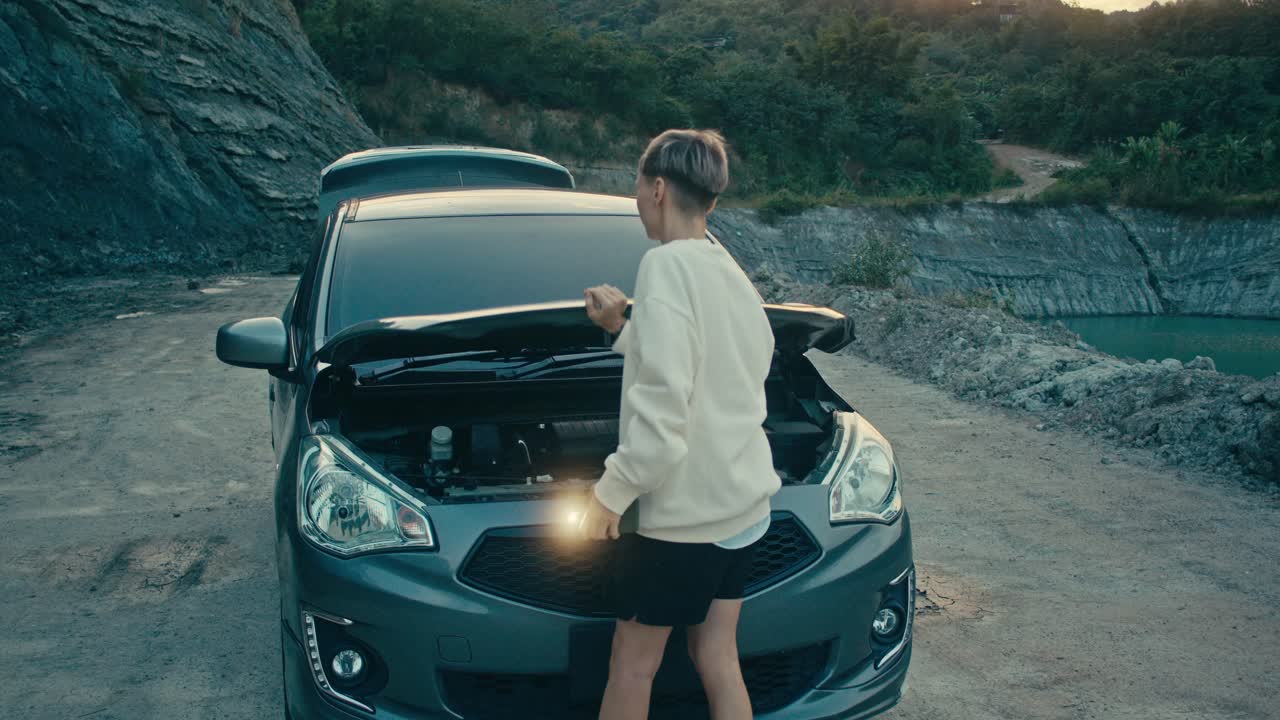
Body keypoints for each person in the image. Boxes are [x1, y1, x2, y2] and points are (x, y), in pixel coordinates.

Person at [581, 129, 781, 720]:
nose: (638, 199)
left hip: (683, 524)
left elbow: (665, 409)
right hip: (743, 511)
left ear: (659, 187)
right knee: (717, 657)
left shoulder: (663, 266)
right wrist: (623, 330)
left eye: (638, 188)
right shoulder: (729, 271)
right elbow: (719, 366)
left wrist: (610, 493)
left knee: (632, 664)